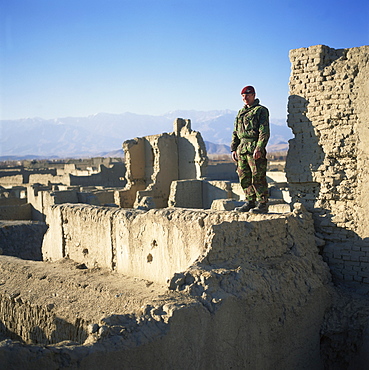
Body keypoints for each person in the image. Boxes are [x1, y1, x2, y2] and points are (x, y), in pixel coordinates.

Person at [230, 85, 270, 213]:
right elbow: (236, 132)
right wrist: (233, 149)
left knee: (257, 176)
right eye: (243, 96)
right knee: (244, 176)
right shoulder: (240, 113)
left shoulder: (260, 110)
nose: (245, 98)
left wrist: (259, 148)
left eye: (247, 95)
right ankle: (249, 202)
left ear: (253, 95)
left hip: (254, 148)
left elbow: (264, 131)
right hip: (242, 149)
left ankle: (262, 204)